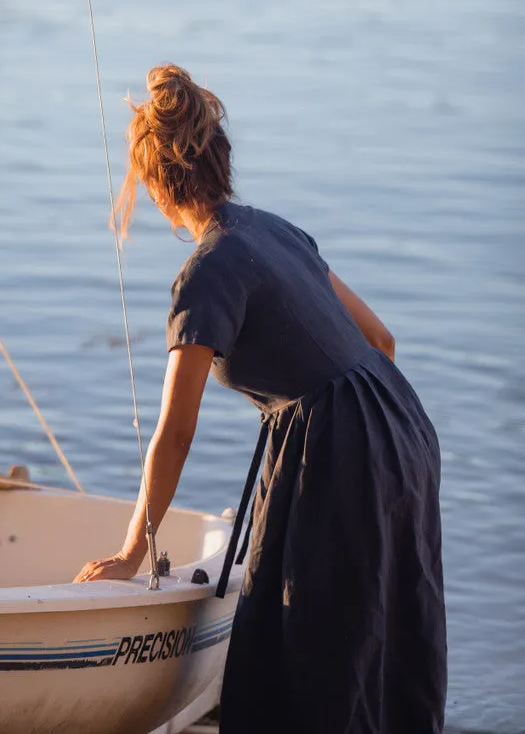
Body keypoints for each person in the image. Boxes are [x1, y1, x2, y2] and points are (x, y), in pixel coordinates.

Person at [74, 64, 447, 734]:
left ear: (155, 183)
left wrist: (131, 554)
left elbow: (175, 433)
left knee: (303, 642)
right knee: (384, 626)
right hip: (401, 423)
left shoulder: (205, 273)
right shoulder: (273, 229)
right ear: (221, 161)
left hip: (342, 444)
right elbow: (380, 340)